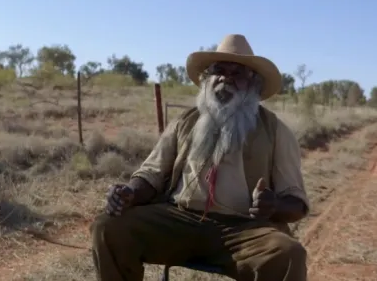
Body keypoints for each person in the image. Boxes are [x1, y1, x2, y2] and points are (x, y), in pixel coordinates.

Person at [91, 34, 310, 281]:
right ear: (207, 78)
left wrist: (275, 206)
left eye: (237, 72)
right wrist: (129, 192)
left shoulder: (276, 130)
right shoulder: (186, 122)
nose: (225, 78)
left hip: (244, 231)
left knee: (288, 253)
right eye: (218, 70)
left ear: (253, 83)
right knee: (108, 227)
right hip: (179, 220)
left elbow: (297, 203)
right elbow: (151, 173)